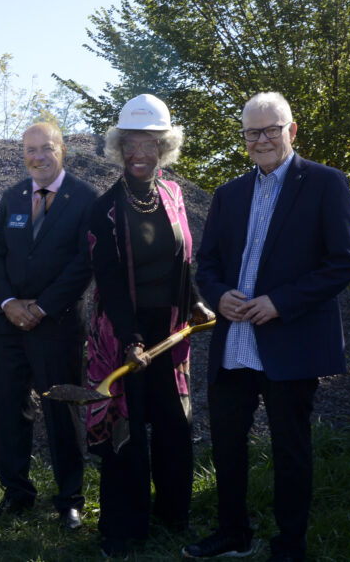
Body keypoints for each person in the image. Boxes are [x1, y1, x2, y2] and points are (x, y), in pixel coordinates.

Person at [184, 92, 350, 562]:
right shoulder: (229, 194)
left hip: (290, 339)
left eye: (271, 129)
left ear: (292, 130)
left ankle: (289, 544)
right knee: (226, 443)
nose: (262, 140)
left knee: (290, 448)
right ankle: (233, 532)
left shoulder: (326, 184)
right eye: (252, 132)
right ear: (243, 138)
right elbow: (207, 263)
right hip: (234, 341)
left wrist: (280, 303)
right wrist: (217, 294)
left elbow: (345, 261)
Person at [86, 95, 214, 558]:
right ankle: (121, 530)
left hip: (172, 336)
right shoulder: (105, 208)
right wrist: (131, 340)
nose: (139, 154)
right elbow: (111, 283)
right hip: (124, 335)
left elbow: (184, 262)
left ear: (164, 147)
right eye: (130, 145)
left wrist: (196, 301)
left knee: (173, 425)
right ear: (119, 148)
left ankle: (173, 517)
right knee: (125, 428)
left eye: (150, 145)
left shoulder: (174, 194)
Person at [0, 122, 98, 529]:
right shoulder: (13, 195)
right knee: (10, 408)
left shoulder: (85, 198)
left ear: (61, 150)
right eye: (30, 150)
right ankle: (16, 493)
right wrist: (9, 303)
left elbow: (84, 262)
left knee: (61, 411)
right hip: (11, 324)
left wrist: (43, 307)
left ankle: (70, 499)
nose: (37, 157)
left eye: (45, 148)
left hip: (58, 325)